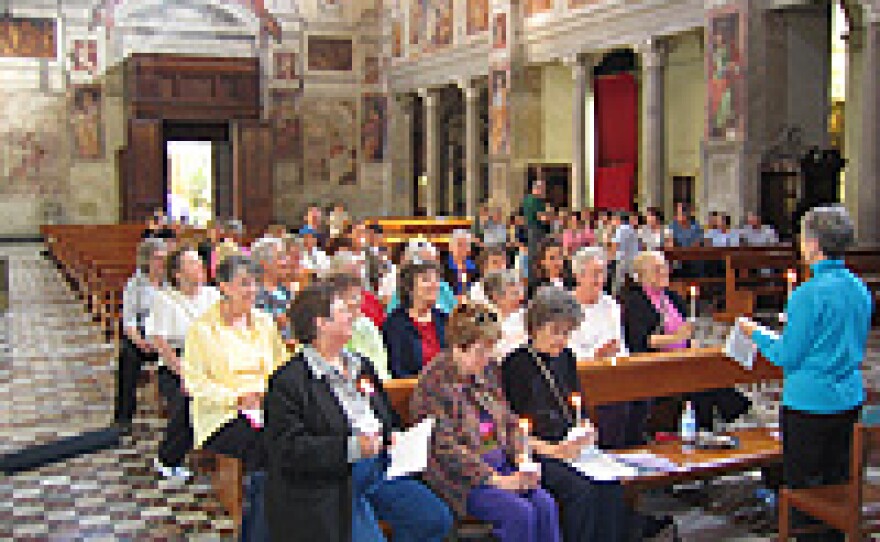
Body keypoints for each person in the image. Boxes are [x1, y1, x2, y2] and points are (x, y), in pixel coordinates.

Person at [264, 277, 453, 542]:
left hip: (380, 467)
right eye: (344, 311)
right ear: (321, 323)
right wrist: (352, 447)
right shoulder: (290, 381)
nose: (355, 315)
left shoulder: (361, 366)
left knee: (434, 519)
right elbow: (289, 449)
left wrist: (395, 435)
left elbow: (385, 414)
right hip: (332, 480)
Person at [739, 206, 872, 542]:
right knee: (837, 482)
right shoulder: (858, 287)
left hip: (809, 404)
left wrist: (755, 333)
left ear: (813, 244)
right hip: (849, 398)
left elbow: (788, 355)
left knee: (806, 491)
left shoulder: (808, 294)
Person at [411, 301, 563, 542]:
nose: (486, 358)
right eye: (480, 351)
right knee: (519, 514)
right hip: (464, 480)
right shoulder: (435, 383)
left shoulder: (488, 370)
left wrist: (523, 459)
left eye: (489, 349)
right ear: (458, 348)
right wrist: (497, 480)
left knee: (546, 505)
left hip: (502, 465)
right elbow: (445, 448)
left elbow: (509, 420)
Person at [502, 287, 640, 542]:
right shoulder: (515, 365)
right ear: (535, 327)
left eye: (567, 333)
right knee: (581, 491)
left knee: (611, 486)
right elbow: (511, 431)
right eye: (555, 332)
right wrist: (554, 451)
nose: (561, 340)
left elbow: (579, 409)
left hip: (572, 449)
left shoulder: (566, 357)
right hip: (537, 453)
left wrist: (587, 431)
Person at [182, 255, 287, 541]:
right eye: (243, 284)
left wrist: (271, 396)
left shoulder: (264, 323)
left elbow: (281, 368)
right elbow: (194, 382)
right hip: (221, 415)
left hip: (266, 408)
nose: (251, 290)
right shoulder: (202, 330)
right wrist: (237, 398)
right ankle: (259, 526)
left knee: (296, 437)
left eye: (253, 283)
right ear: (224, 286)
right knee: (266, 447)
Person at [623, 251, 749, 437]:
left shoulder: (672, 297)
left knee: (707, 368)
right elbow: (643, 340)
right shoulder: (635, 301)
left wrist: (690, 340)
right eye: (657, 269)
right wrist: (677, 337)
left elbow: (687, 331)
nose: (663, 272)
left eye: (664, 267)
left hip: (682, 356)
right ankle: (726, 413)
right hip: (655, 362)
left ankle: (709, 425)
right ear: (641, 276)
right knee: (701, 377)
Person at [146, 246, 222, 479]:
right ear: (177, 274)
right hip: (178, 364)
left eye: (199, 261)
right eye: (192, 263)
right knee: (189, 400)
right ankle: (168, 458)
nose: (199, 265)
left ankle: (223, 454)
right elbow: (160, 341)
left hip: (214, 362)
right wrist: (183, 372)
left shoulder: (213, 295)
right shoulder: (165, 299)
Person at [567, 247, 632, 448]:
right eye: (594, 273)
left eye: (602, 272)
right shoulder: (566, 305)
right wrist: (594, 354)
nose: (599, 279)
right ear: (579, 275)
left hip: (611, 371)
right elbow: (566, 348)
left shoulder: (610, 304)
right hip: (579, 373)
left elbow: (618, 343)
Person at [115, 238, 167, 432]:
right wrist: (140, 341)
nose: (162, 263)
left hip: (168, 336)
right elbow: (128, 320)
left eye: (164, 258)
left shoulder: (171, 282)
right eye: (157, 258)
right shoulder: (134, 285)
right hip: (143, 336)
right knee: (128, 356)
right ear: (146, 260)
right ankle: (123, 416)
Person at [383, 262, 448, 378]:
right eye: (426, 279)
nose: (434, 285)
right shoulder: (395, 324)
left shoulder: (445, 319)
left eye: (437, 279)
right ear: (410, 288)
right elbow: (398, 370)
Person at [252, 237, 294, 341]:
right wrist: (277, 321)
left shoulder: (287, 292)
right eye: (281, 257)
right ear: (264, 263)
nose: (287, 261)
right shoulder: (252, 293)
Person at [481, 269, 527, 359]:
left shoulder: (527, 316)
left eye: (521, 293)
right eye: (515, 294)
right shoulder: (485, 322)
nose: (521, 298)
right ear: (496, 297)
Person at [443, 229, 478, 300]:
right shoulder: (442, 267)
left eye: (466, 245)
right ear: (451, 247)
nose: (463, 249)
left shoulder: (474, 269)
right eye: (459, 245)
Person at [521, 178, 547, 266]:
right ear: (537, 188)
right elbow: (542, 217)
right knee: (534, 252)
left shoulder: (527, 199)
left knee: (534, 251)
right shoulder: (534, 201)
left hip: (530, 227)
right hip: (535, 228)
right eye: (543, 189)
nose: (544, 191)